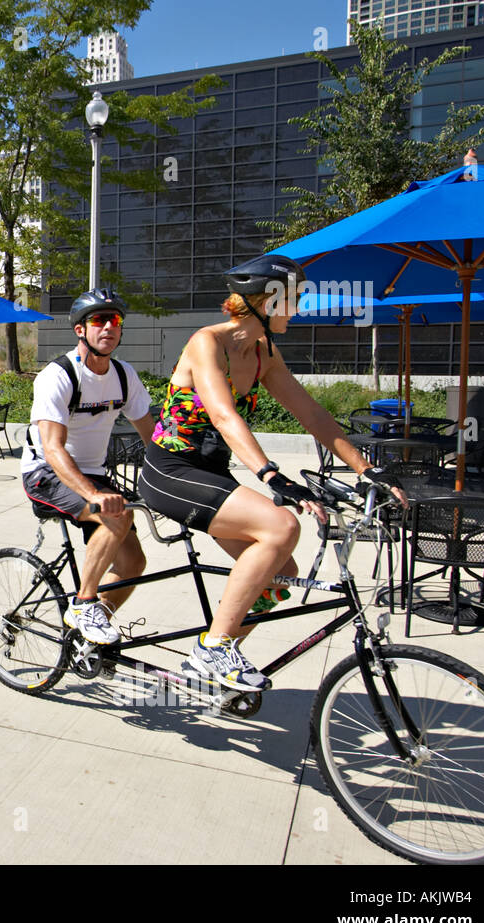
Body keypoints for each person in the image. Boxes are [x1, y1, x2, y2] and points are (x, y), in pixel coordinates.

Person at [138, 254, 406, 692]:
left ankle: (211, 659)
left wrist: (367, 469)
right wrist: (269, 474)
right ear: (265, 300)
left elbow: (312, 414)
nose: (298, 308)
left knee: (280, 573)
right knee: (281, 526)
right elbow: (224, 415)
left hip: (210, 473)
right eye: (294, 299)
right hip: (169, 470)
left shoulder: (264, 353)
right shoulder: (207, 342)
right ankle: (216, 648)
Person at [22, 288, 155, 646]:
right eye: (99, 320)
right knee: (118, 515)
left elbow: (152, 436)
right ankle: (84, 604)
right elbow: (52, 448)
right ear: (80, 329)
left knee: (133, 566)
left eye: (115, 320)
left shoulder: (124, 376)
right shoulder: (59, 375)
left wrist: (176, 475)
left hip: (93, 474)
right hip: (45, 474)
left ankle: (87, 636)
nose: (109, 327)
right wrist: (95, 494)